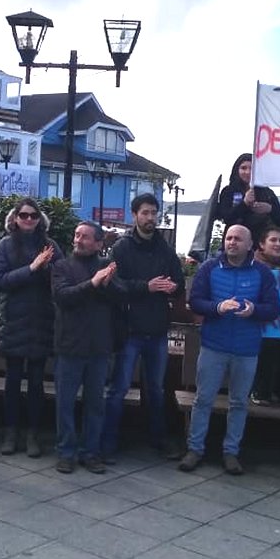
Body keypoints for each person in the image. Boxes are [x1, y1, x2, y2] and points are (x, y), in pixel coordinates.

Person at [179, 225, 280, 476]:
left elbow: (274, 309)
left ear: (250, 245)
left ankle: (231, 452)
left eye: (238, 239)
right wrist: (217, 307)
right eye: (229, 238)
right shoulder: (209, 268)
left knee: (238, 403)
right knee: (203, 399)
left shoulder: (263, 273)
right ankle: (195, 449)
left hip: (246, 348)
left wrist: (254, 310)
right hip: (214, 345)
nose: (232, 242)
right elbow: (195, 301)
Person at [102, 193, 186, 461]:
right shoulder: (122, 248)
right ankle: (108, 442)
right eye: (145, 213)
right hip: (129, 330)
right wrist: (146, 287)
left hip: (157, 330)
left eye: (154, 213)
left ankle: (159, 440)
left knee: (157, 390)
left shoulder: (165, 249)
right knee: (119, 389)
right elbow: (114, 286)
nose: (150, 218)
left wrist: (173, 287)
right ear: (134, 215)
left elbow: (179, 283)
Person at [0, 198, 61, 457]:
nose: (29, 219)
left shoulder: (50, 246)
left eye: (33, 215)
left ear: (39, 219)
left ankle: (33, 434)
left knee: (37, 384)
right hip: (14, 322)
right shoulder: (5, 245)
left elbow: (61, 280)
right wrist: (31, 268)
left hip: (41, 321)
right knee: (12, 382)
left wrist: (47, 267)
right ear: (15, 219)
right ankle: (10, 432)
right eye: (24, 215)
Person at [51, 221, 121, 475]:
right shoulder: (61, 266)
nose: (79, 240)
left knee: (95, 405)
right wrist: (92, 283)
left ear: (99, 244)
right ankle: (66, 452)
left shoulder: (106, 268)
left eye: (86, 237)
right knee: (65, 404)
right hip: (69, 347)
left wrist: (106, 283)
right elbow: (63, 297)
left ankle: (90, 452)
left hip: (99, 348)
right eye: (77, 235)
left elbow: (119, 298)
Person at [250, 226, 280, 407]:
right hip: (259, 320)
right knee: (268, 342)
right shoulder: (252, 266)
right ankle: (261, 389)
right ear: (262, 244)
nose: (278, 244)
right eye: (273, 240)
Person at [215, 153, 280, 247]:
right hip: (234, 244)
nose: (248, 172)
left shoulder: (267, 193)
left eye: (252, 169)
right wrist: (244, 203)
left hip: (260, 246)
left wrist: (270, 209)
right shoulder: (228, 191)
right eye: (243, 168)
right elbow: (227, 218)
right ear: (237, 170)